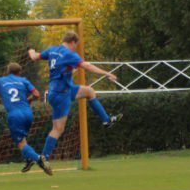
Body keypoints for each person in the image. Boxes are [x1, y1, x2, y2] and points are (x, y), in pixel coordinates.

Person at [28, 30, 121, 161]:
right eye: (76, 45)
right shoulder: (69, 54)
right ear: (72, 42)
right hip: (61, 94)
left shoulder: (52, 50)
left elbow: (34, 57)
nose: (76, 48)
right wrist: (107, 73)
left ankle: (106, 120)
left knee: (89, 91)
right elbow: (87, 65)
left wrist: (31, 51)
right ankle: (44, 158)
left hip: (62, 90)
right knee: (58, 129)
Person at [0, 62, 52, 175]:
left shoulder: (1, 81)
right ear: (19, 72)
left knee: (20, 143)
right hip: (28, 113)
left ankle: (38, 158)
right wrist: (29, 100)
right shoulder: (24, 80)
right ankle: (29, 159)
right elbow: (37, 94)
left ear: (7, 71)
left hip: (15, 115)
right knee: (23, 140)